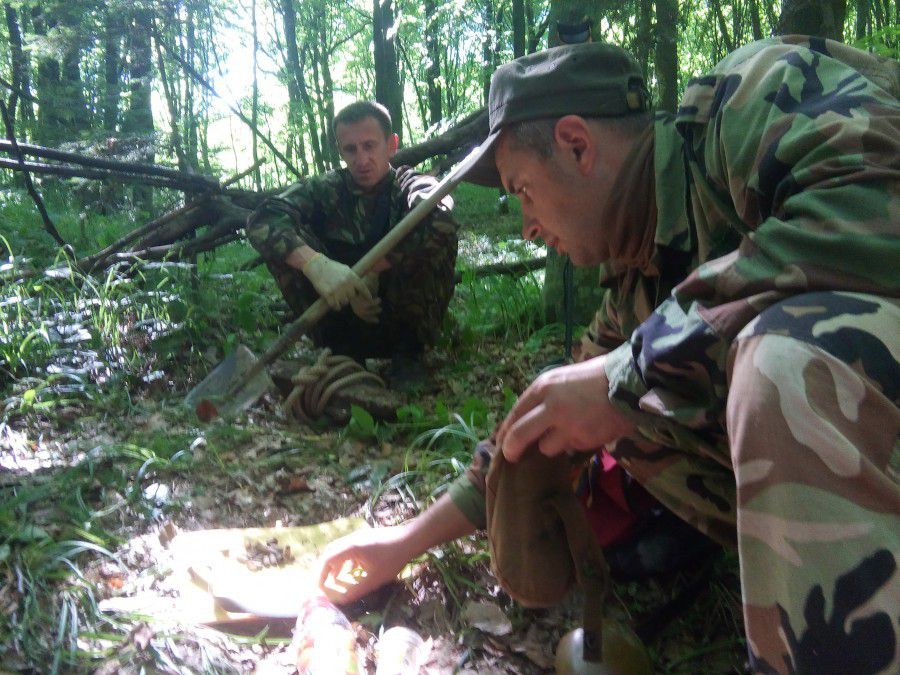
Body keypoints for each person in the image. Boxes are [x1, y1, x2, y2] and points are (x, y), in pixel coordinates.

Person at [318, 38, 899, 673]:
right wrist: (401, 545)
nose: (528, 229)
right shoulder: (636, 284)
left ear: (576, 144)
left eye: (524, 192)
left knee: (778, 365)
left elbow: (875, 204)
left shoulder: (751, 98)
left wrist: (633, 371)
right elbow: (534, 431)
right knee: (622, 408)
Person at [246, 101, 458, 385]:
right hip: (338, 318)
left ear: (391, 145)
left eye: (370, 146)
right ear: (340, 151)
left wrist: (369, 271)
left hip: (399, 319)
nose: (361, 159)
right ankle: (341, 355)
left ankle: (409, 357)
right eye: (351, 149)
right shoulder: (324, 189)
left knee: (437, 231)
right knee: (281, 243)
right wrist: (314, 264)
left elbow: (440, 214)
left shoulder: (409, 184)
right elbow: (262, 218)